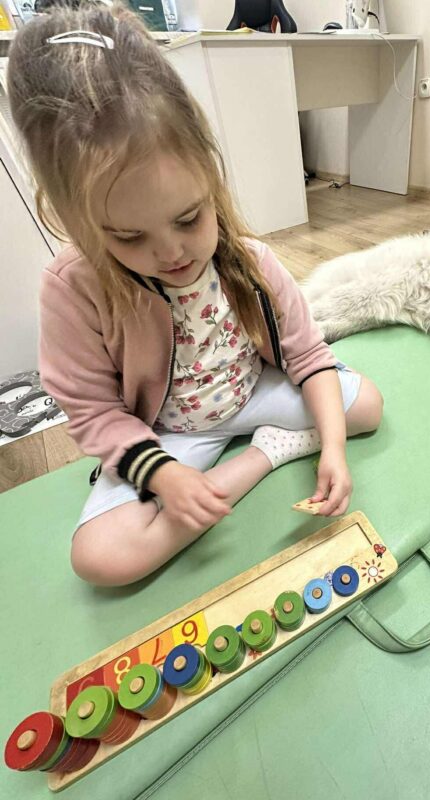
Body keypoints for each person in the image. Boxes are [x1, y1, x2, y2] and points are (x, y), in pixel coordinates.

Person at [7, 4, 383, 586]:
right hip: (168, 433)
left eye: (189, 218)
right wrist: (163, 475)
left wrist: (332, 447)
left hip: (253, 393)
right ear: (75, 219)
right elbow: (94, 413)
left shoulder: (250, 259)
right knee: (101, 559)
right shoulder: (73, 289)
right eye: (128, 237)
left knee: (365, 408)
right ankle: (267, 453)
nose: (172, 253)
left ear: (210, 175)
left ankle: (275, 442)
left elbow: (308, 356)